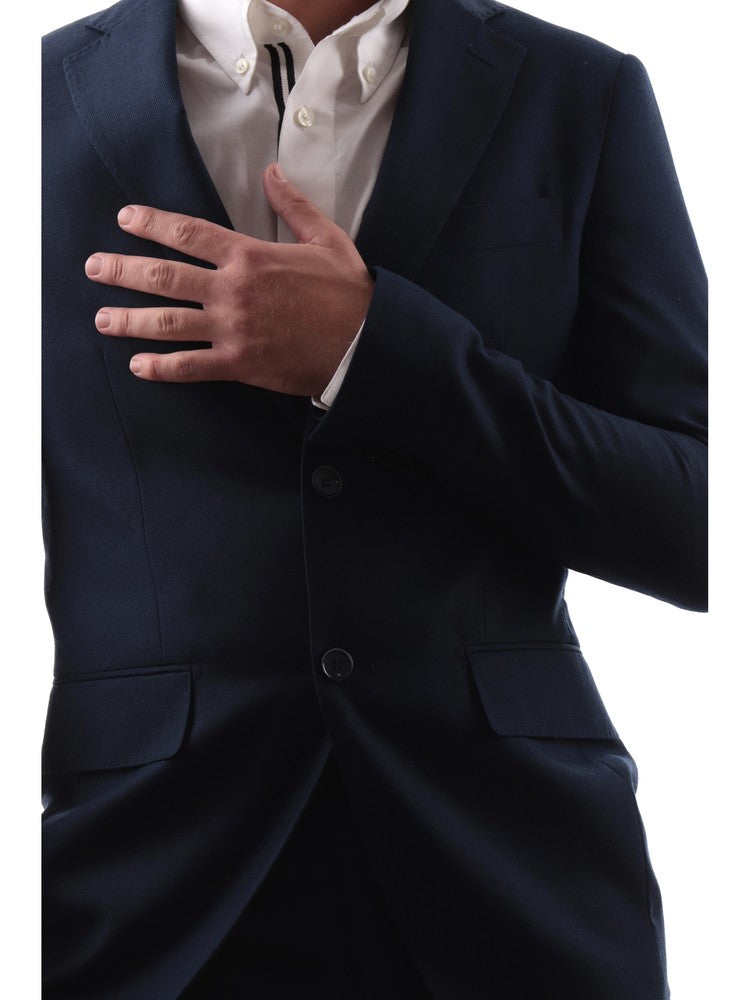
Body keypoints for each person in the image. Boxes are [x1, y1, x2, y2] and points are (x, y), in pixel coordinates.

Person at [40, 0, 707, 996]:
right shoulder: (33, 103)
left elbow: (700, 519)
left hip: (514, 876)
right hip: (132, 888)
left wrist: (377, 351)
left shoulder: (581, 92)